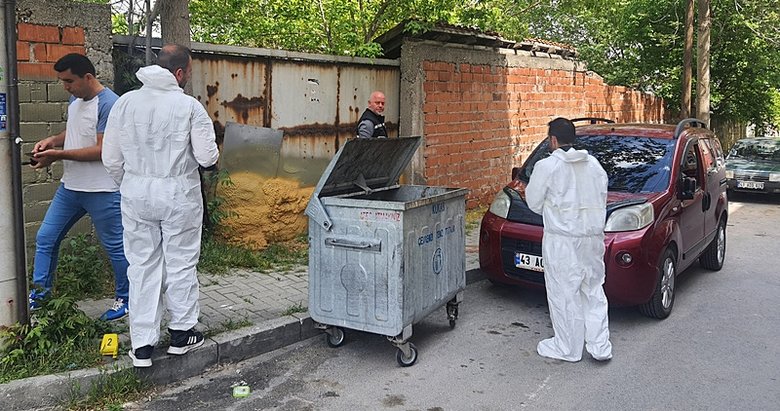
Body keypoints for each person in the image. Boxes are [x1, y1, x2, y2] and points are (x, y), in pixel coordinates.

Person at [102, 44, 219, 368]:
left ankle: (142, 345)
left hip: (136, 192)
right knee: (181, 262)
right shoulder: (189, 107)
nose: (189, 77)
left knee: (141, 265)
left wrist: (130, 184)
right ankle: (181, 334)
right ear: (179, 73)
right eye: (189, 72)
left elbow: (110, 159)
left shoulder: (125, 103)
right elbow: (207, 158)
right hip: (178, 193)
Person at [28, 53, 129, 322]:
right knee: (46, 238)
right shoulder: (76, 99)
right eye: (62, 81)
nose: (65, 87)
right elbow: (76, 131)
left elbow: (101, 149)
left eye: (69, 81)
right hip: (71, 187)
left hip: (103, 189)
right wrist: (53, 140)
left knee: (116, 247)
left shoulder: (110, 104)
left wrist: (57, 155)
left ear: (88, 77)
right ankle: (40, 297)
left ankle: (126, 299)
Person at [524, 117, 613, 362]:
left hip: (562, 240)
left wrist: (554, 212)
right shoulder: (594, 165)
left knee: (564, 293)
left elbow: (533, 202)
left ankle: (567, 348)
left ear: (552, 139)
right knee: (593, 290)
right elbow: (602, 197)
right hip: (592, 238)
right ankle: (600, 346)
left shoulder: (547, 166)